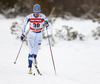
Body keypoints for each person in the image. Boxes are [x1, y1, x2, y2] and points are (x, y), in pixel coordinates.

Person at [21, 4, 50, 74]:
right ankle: (30, 67)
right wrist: (22, 33)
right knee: (31, 51)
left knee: (36, 51)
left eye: (38, 11)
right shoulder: (29, 17)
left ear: (39, 11)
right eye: (35, 11)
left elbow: (48, 26)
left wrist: (47, 25)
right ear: (33, 11)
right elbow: (24, 25)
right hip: (31, 34)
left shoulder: (43, 16)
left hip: (39, 35)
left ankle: (34, 58)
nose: (37, 12)